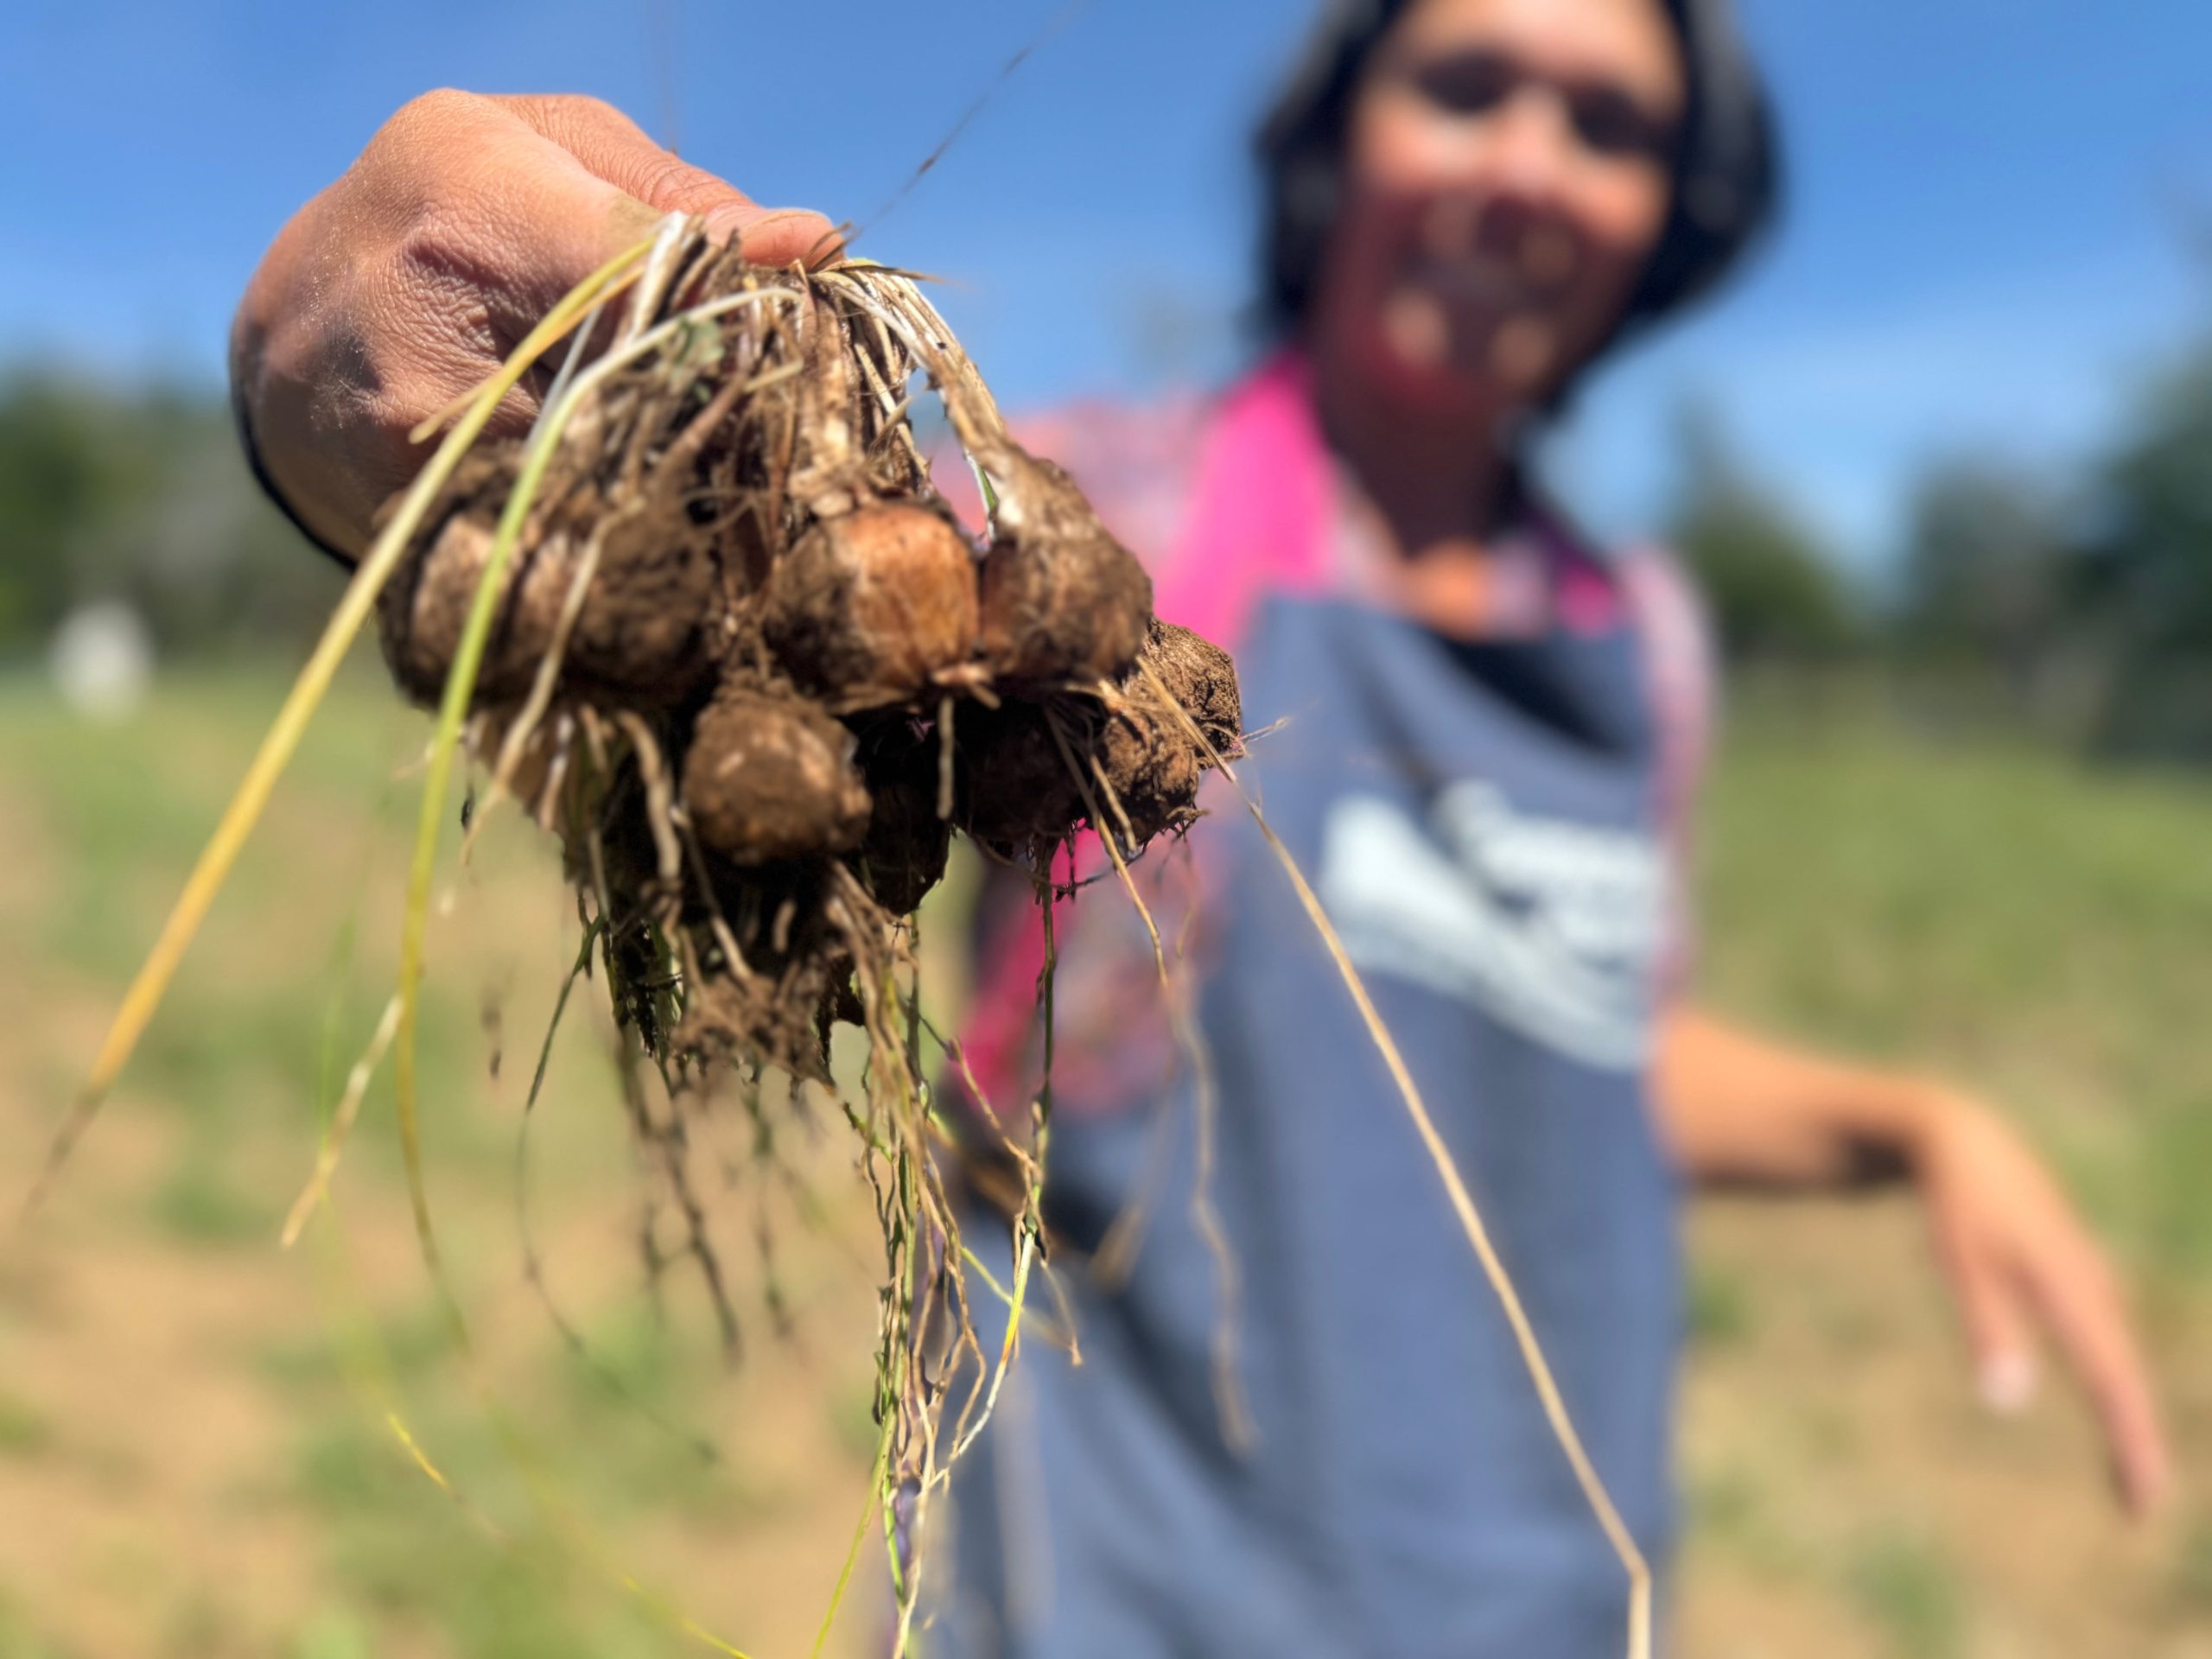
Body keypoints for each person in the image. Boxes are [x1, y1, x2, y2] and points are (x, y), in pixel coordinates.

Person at [231, 3, 2170, 1651]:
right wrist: (338, 404)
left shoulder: (1636, 635)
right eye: (1465, 84)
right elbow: (737, 583)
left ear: (1665, 213)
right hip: (1126, 1570)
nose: (1525, 162)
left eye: (1605, 125)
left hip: (1545, 1573)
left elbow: (1567, 1037)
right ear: (1336, 144)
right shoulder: (1102, 501)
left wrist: (1910, 1127)